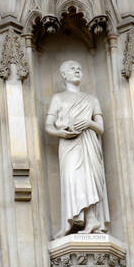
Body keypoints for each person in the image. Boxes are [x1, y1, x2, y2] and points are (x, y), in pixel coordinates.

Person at [45, 60, 109, 235]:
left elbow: (101, 128)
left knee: (89, 178)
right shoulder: (58, 98)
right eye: (72, 69)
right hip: (69, 143)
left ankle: (92, 220)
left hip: (88, 141)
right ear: (63, 75)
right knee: (72, 178)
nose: (77, 71)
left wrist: (89, 122)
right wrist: (62, 133)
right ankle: (71, 221)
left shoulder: (91, 99)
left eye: (80, 68)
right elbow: (48, 126)